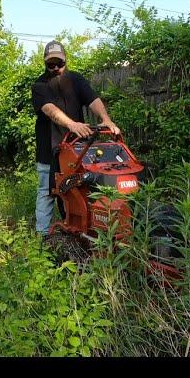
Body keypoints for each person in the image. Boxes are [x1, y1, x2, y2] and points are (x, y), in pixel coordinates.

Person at [31, 40, 120, 236]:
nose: (56, 68)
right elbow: (49, 109)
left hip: (77, 153)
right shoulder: (39, 85)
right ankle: (42, 239)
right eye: (51, 64)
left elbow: (93, 100)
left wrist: (106, 119)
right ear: (45, 63)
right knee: (47, 194)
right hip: (49, 152)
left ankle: (74, 235)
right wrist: (72, 124)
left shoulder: (76, 80)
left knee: (76, 194)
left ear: (66, 60)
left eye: (59, 64)